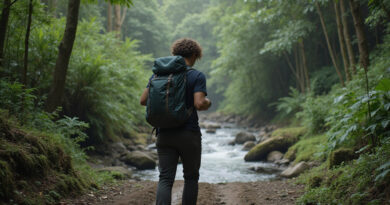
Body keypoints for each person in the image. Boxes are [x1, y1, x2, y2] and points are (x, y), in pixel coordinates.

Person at [140, 38, 211, 205]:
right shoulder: (196, 75)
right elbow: (199, 103)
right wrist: (209, 102)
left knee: (165, 178)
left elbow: (143, 100)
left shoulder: (158, 75)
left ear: (175, 54)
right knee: (191, 177)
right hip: (188, 133)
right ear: (195, 54)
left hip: (164, 134)